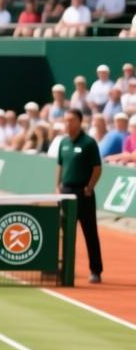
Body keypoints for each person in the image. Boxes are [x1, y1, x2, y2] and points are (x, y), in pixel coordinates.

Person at [56, 109, 103, 283]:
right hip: (66, 192)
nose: (67, 123)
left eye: (71, 120)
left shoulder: (89, 143)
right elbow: (60, 165)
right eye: (65, 120)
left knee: (90, 232)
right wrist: (57, 186)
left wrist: (89, 187)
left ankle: (96, 270)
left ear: (80, 121)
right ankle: (66, 268)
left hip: (84, 194)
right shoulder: (63, 143)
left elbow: (97, 168)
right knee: (66, 233)